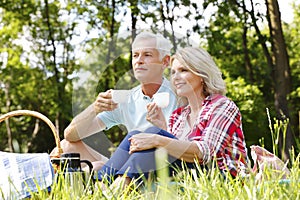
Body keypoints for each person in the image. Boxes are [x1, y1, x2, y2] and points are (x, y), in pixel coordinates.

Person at [97, 46, 249, 188]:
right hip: (188, 174)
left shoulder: (222, 105)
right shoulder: (179, 115)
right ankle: (103, 185)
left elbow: (205, 153)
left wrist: (157, 138)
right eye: (173, 72)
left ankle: (118, 189)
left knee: (153, 136)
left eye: (183, 70)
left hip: (223, 177)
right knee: (135, 135)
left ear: (202, 75)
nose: (176, 78)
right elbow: (173, 154)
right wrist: (162, 127)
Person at [50, 31, 178, 170]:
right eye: (135, 55)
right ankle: (53, 188)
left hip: (162, 166)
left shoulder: (180, 94)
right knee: (65, 147)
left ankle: (95, 180)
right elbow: (71, 135)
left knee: (97, 167)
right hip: (127, 163)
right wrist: (95, 108)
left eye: (147, 55)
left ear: (165, 62)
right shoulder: (126, 99)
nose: (138, 60)